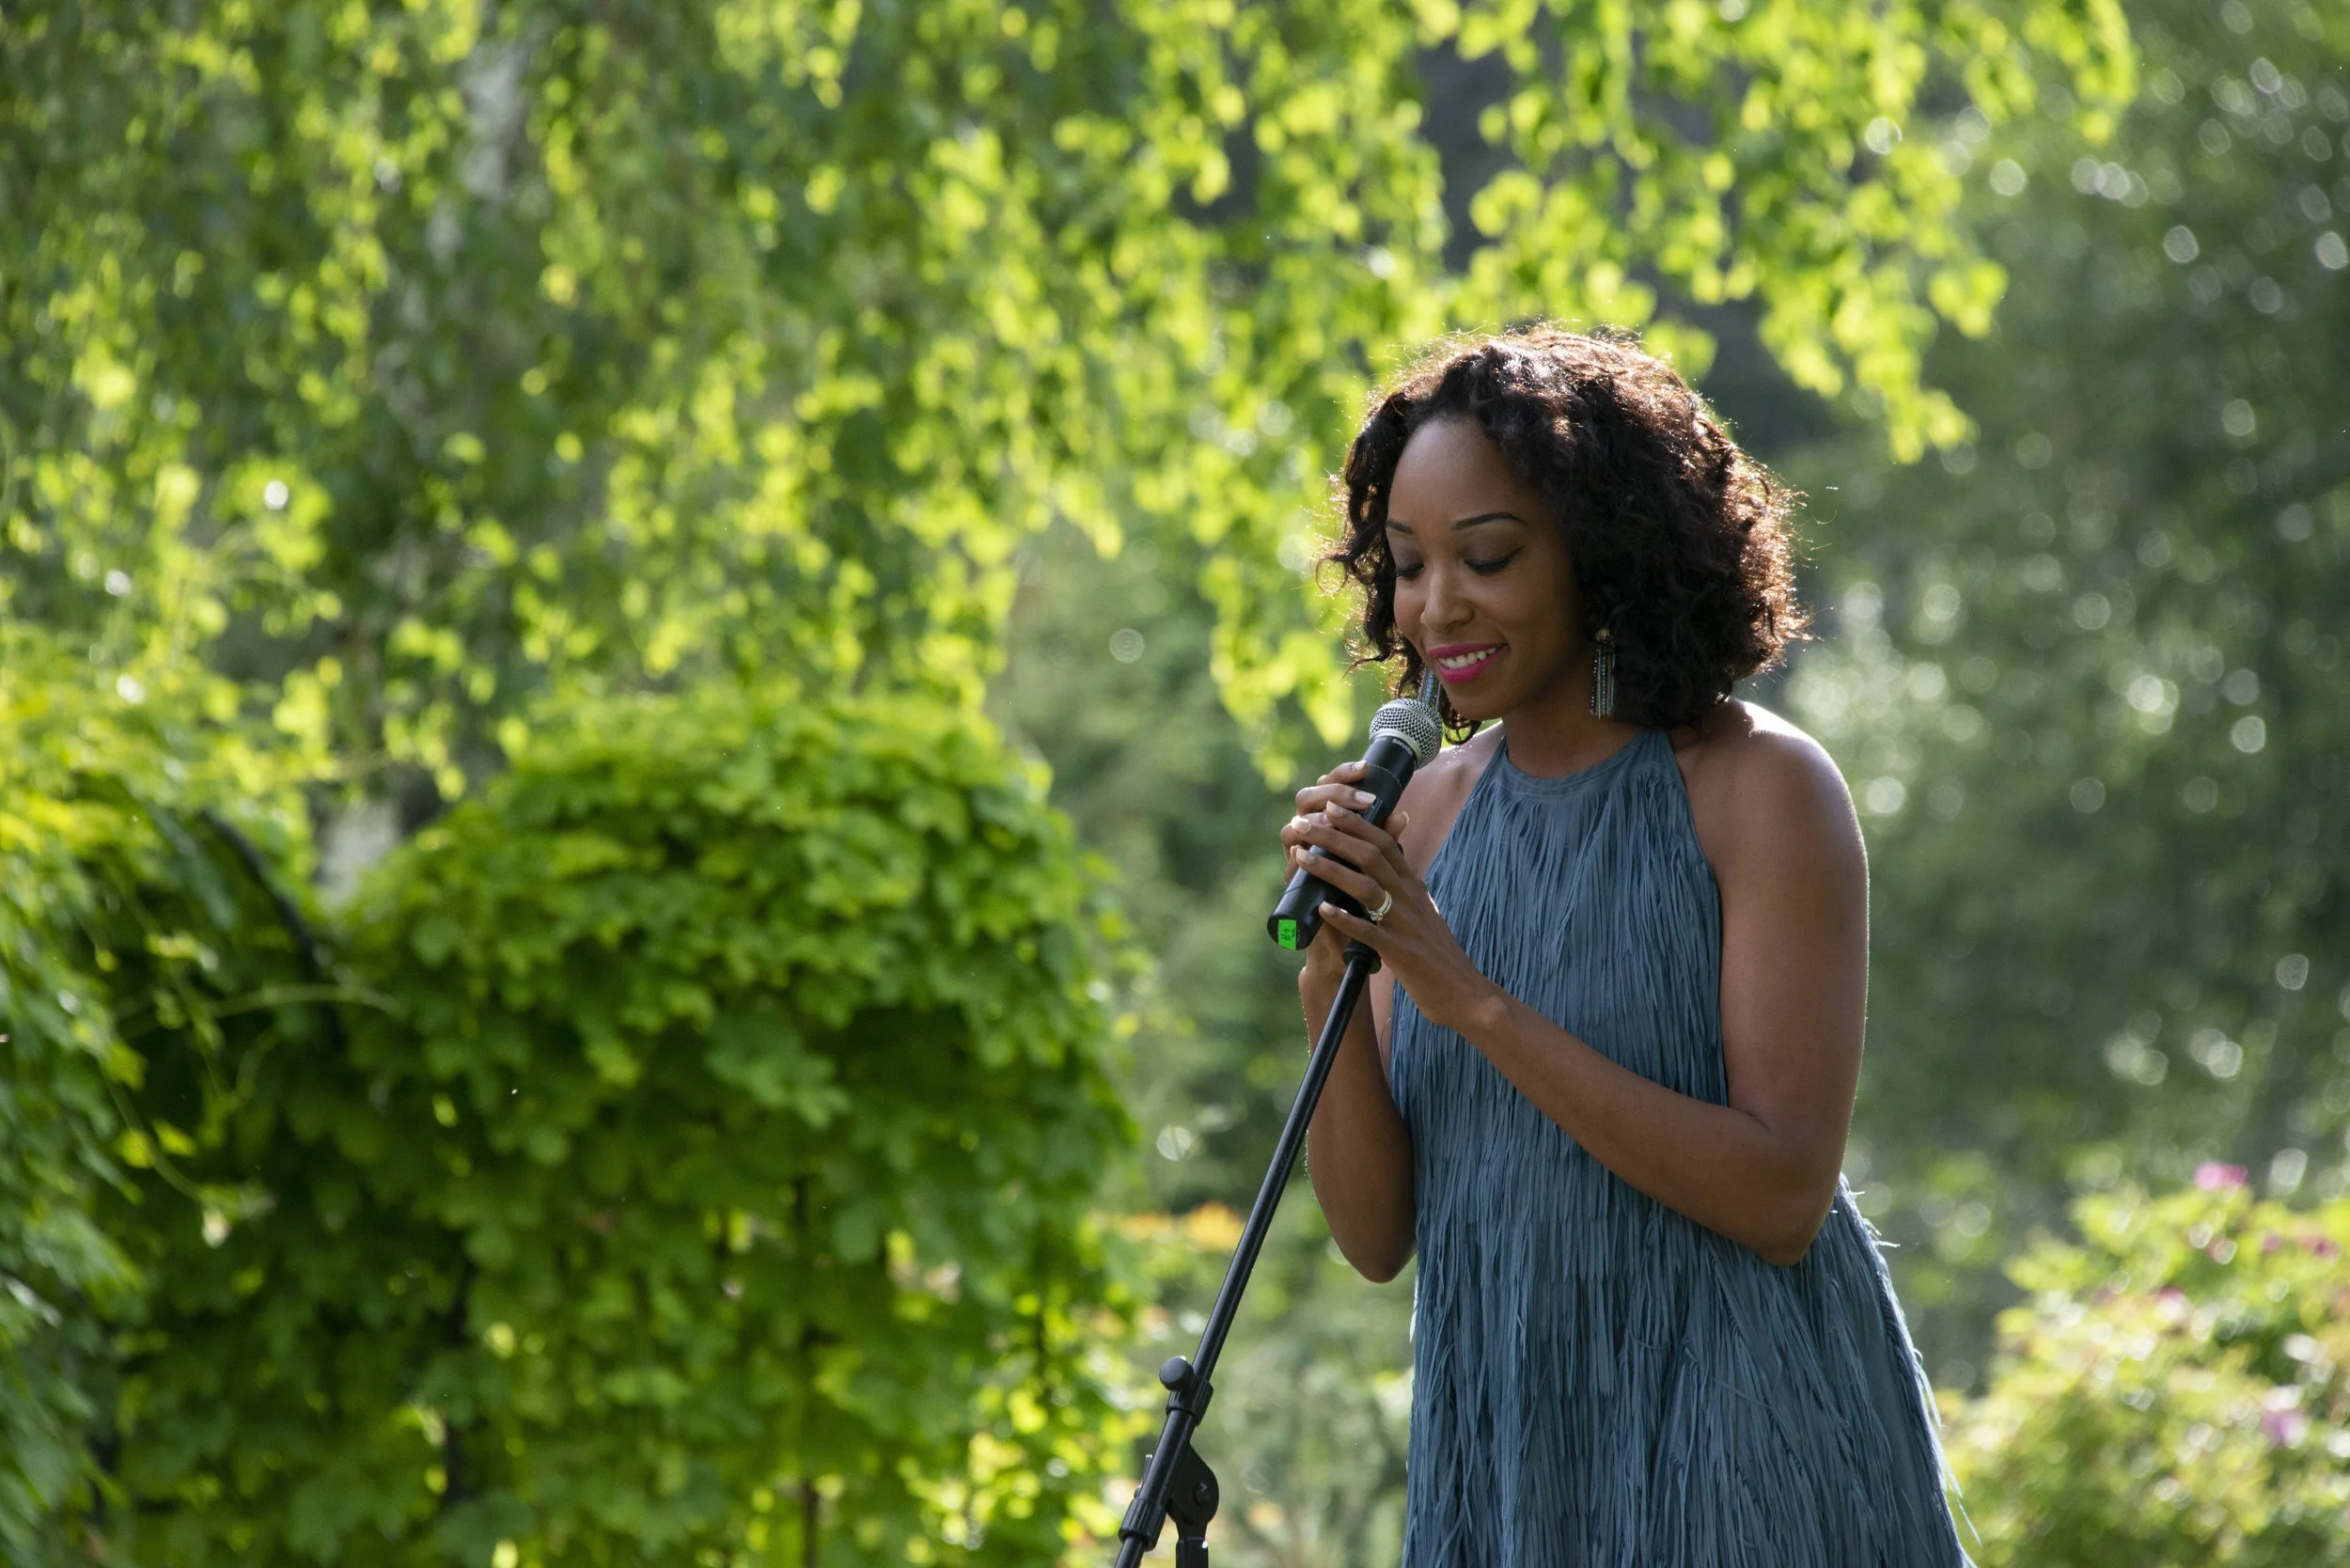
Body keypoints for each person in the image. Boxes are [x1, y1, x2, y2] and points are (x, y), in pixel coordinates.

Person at [1282, 327, 1967, 1565]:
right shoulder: (1423, 817)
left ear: (1603, 550)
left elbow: (1782, 1197)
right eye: (1409, 565)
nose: (1438, 606)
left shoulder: (1759, 788)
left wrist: (1472, 1000)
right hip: (1513, 1473)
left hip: (1746, 1461)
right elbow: (1378, 1242)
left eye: (1488, 556)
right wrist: (1330, 977)